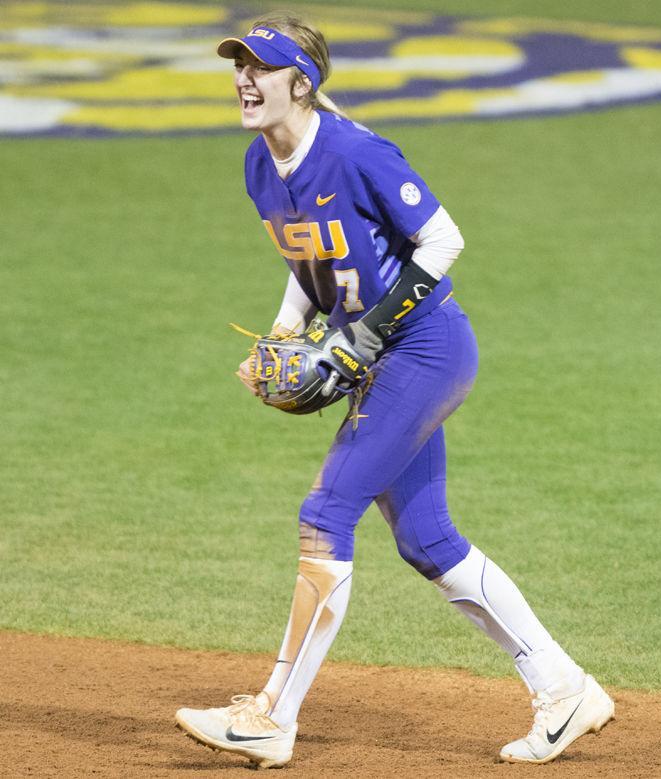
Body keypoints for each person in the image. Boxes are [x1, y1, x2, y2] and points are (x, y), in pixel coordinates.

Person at [176, 12, 614, 769]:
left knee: (326, 511)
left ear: (302, 83)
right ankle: (565, 687)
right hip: (380, 359)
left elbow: (444, 238)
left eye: (262, 66)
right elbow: (309, 257)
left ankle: (272, 715)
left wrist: (369, 332)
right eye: (239, 64)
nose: (245, 78)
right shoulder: (260, 165)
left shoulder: (354, 152)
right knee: (426, 539)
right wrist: (285, 332)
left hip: (425, 347)